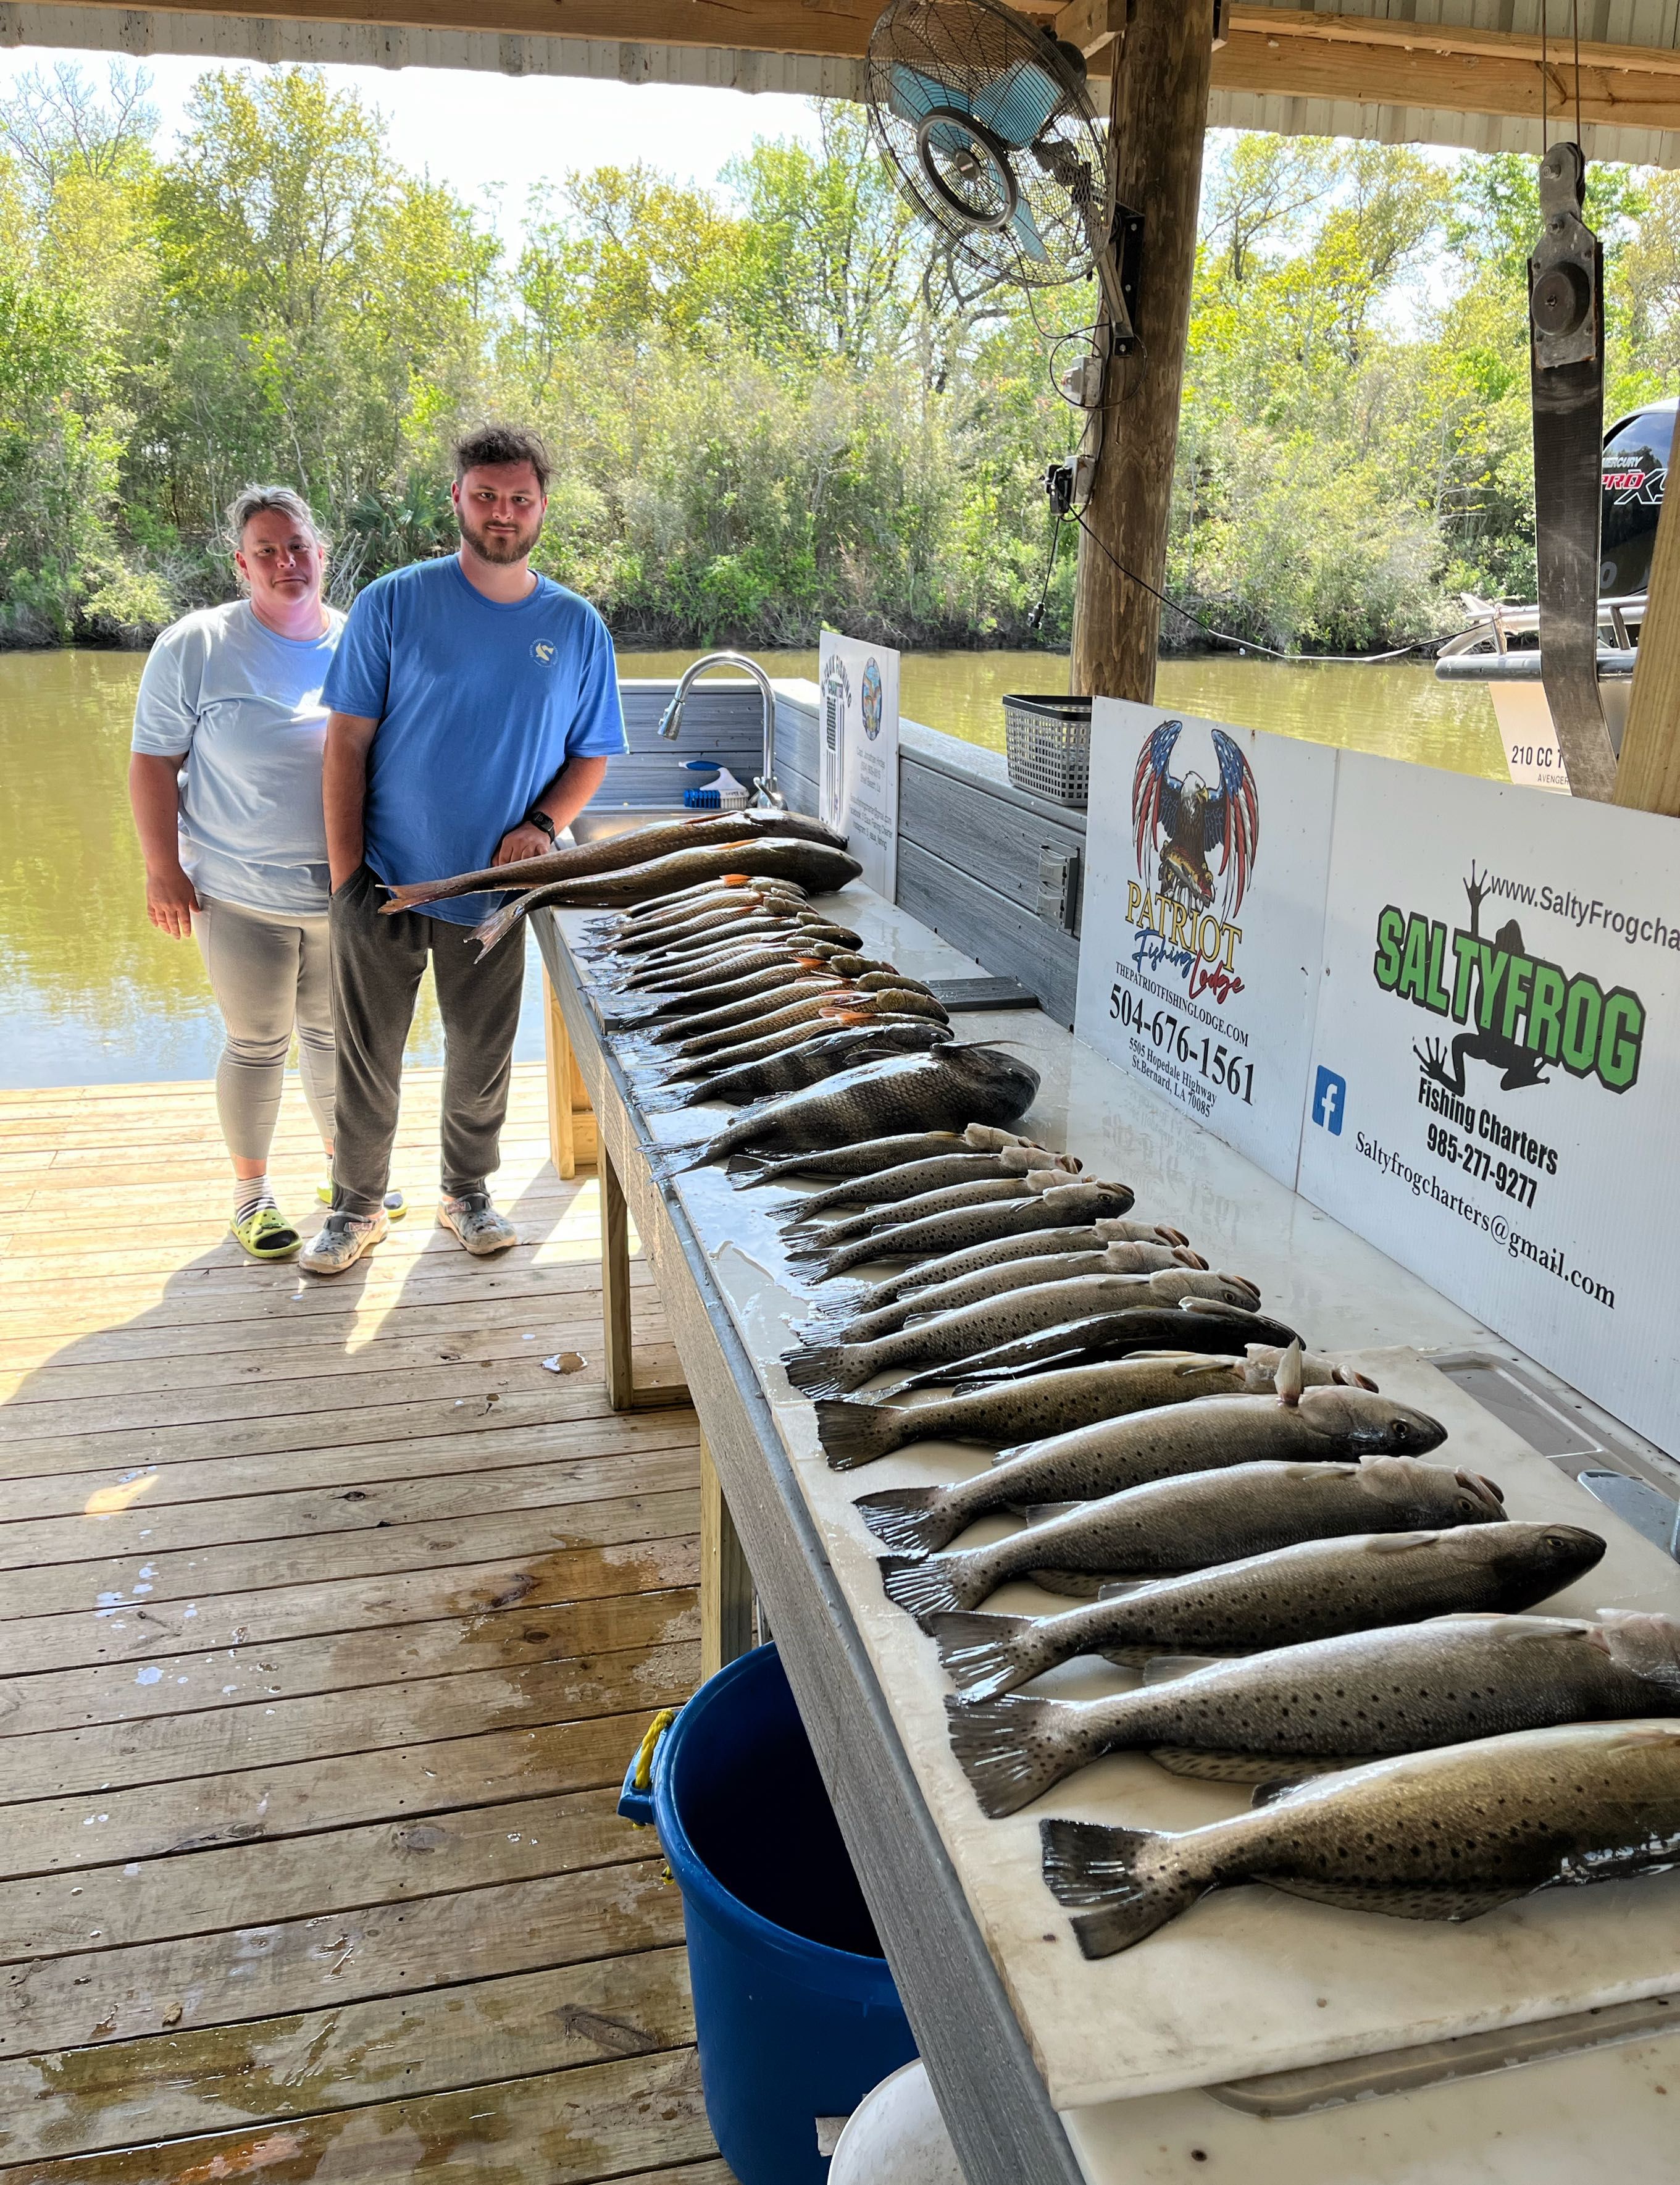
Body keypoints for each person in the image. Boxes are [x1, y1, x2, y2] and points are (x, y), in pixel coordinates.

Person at [301, 423, 626, 1277]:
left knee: (480, 1057)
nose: (503, 513)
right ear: (457, 499)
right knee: (367, 1060)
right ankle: (355, 1207)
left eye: (520, 499)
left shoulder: (577, 625)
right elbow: (346, 746)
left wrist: (545, 826)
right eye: (486, 496)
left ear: (543, 507)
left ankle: (466, 1192)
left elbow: (591, 755)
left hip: (493, 893)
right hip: (385, 881)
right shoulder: (393, 602)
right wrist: (347, 880)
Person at [130, 485, 349, 1260]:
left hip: (340, 893)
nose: (286, 562)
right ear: (242, 565)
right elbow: (153, 762)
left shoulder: (357, 642)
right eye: (267, 551)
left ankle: (342, 1176)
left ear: (322, 554)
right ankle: (251, 1195)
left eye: (297, 546)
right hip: (238, 893)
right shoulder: (196, 644)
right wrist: (164, 869)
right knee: (259, 1040)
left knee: (332, 1036)